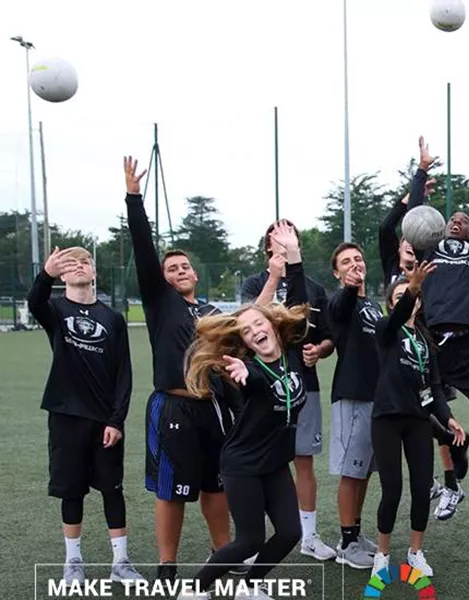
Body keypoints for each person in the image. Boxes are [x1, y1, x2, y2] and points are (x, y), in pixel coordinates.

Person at [182, 222, 308, 599]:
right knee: (249, 540)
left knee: (290, 532)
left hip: (275, 462)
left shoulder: (292, 354)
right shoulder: (250, 370)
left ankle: (250, 586)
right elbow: (250, 381)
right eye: (247, 331)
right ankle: (194, 589)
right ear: (246, 343)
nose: (255, 331)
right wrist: (241, 372)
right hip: (243, 464)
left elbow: (300, 300)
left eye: (258, 323)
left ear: (272, 323)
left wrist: (293, 255)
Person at [123, 156, 232, 580]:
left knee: (216, 485)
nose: (180, 270)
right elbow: (143, 248)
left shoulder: (210, 312)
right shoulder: (160, 302)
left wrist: (276, 274)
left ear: (195, 275)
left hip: (213, 408)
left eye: (185, 266)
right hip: (173, 407)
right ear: (162, 279)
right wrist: (134, 198)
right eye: (172, 268)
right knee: (171, 492)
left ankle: (224, 554)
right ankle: (167, 564)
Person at [29, 246, 145, 584]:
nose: (80, 266)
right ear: (63, 275)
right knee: (72, 491)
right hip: (66, 416)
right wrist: (45, 275)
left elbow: (123, 373)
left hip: (105, 421)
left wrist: (116, 420)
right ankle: (73, 562)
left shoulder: (113, 319)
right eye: (72, 263)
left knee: (112, 489)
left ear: (94, 273)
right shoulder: (55, 310)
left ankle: (121, 562)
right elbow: (34, 302)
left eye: (86, 262)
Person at [408, 135, 469, 516]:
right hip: (433, 341)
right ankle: (455, 442)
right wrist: (421, 171)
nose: (457, 221)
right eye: (453, 218)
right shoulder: (429, 250)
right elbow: (414, 215)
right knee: (426, 406)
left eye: (464, 221)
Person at [240, 219, 338, 562]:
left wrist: (319, 350)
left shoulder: (313, 287)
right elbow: (245, 321)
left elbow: (328, 336)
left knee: (303, 460)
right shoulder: (255, 282)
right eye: (276, 236)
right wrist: (273, 276)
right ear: (268, 246)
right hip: (260, 385)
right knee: (258, 461)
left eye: (289, 236)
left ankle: (309, 536)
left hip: (302, 385)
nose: (282, 240)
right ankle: (251, 540)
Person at [371, 262, 467, 578]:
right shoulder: (386, 329)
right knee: (392, 490)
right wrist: (412, 288)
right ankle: (382, 555)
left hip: (418, 421)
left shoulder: (425, 341)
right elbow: (399, 314)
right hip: (386, 419)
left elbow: (435, 387)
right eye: (399, 297)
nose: (408, 301)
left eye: (412, 296)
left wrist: (448, 418)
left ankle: (415, 552)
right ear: (392, 304)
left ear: (421, 303)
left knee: (421, 487)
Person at [326, 241, 385, 569]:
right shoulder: (341, 301)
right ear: (337, 273)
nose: (354, 264)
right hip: (353, 395)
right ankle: (347, 544)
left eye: (358, 259)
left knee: (364, 471)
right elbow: (338, 307)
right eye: (346, 262)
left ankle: (355, 534)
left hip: (376, 397)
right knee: (351, 472)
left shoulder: (372, 304)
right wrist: (349, 288)